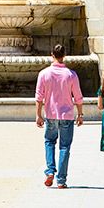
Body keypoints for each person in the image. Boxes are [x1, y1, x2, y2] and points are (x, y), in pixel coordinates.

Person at [35, 44, 84, 189]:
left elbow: (39, 98)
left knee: (49, 142)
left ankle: (50, 171)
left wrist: (38, 115)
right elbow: (78, 97)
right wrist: (80, 114)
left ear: (52, 55)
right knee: (64, 147)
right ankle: (61, 180)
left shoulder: (44, 74)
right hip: (67, 115)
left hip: (50, 114)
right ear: (64, 55)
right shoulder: (71, 75)